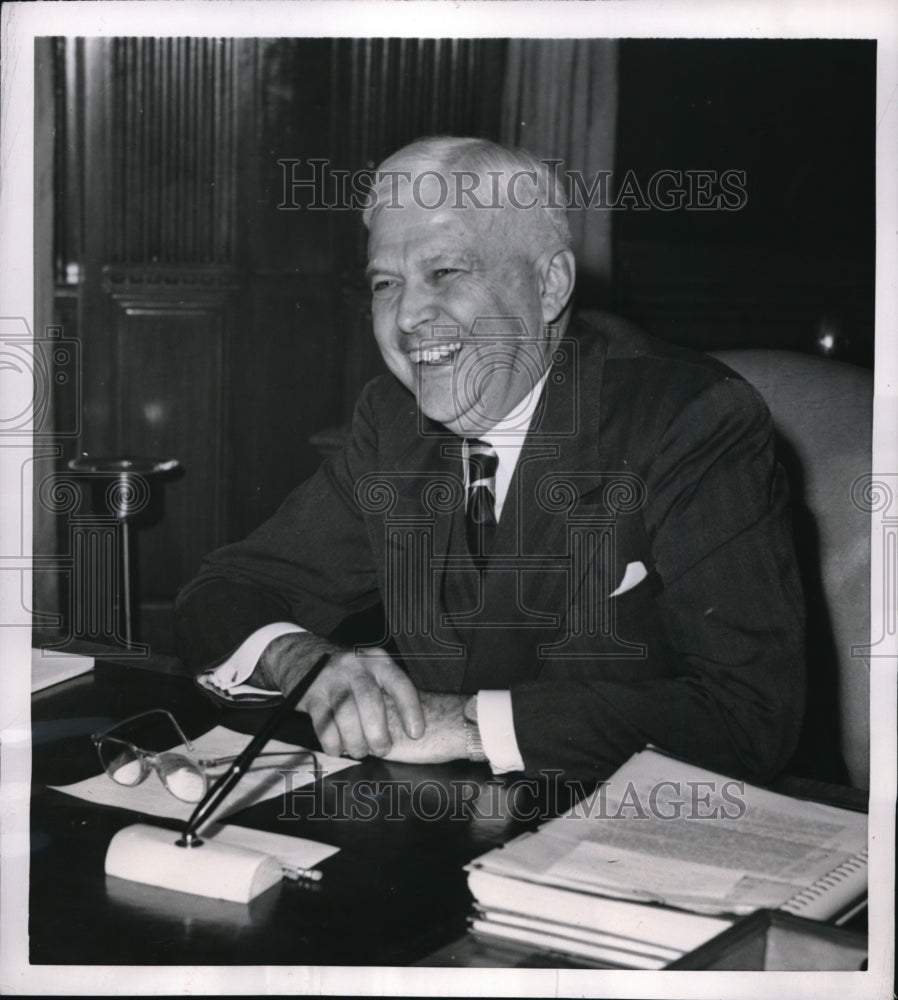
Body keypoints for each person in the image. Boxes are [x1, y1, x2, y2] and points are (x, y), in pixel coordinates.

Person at [174, 136, 805, 784]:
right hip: (440, 832)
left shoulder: (688, 420)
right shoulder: (393, 423)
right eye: (386, 283)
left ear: (550, 283)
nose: (409, 315)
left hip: (629, 842)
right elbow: (223, 590)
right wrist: (306, 663)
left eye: (445, 273)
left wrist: (469, 725)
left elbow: (749, 717)